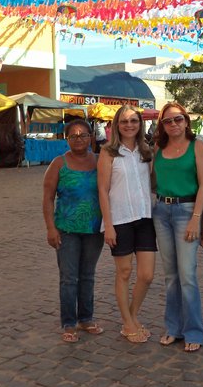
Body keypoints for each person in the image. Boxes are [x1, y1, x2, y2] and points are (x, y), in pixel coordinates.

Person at [152, 102, 203, 352]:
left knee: (187, 275)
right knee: (170, 276)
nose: (173, 124)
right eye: (168, 121)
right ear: (162, 125)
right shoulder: (158, 147)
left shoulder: (197, 146)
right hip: (161, 212)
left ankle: (194, 331)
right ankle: (173, 328)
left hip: (187, 211)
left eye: (178, 119)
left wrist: (197, 218)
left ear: (186, 121)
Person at [42, 118, 105, 343]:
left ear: (91, 137)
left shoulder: (100, 161)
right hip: (66, 229)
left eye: (83, 135)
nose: (79, 139)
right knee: (69, 278)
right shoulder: (58, 164)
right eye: (73, 136)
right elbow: (48, 198)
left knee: (87, 275)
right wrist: (51, 228)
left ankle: (86, 318)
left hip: (94, 229)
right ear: (66, 139)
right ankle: (69, 323)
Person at [97, 105, 156, 344]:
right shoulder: (108, 153)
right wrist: (108, 225)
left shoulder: (146, 151)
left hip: (144, 218)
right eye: (124, 121)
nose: (129, 125)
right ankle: (129, 322)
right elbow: (102, 189)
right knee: (124, 272)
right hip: (119, 219)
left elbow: (151, 183)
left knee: (147, 274)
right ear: (116, 125)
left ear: (140, 124)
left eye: (133, 120)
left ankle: (131, 316)